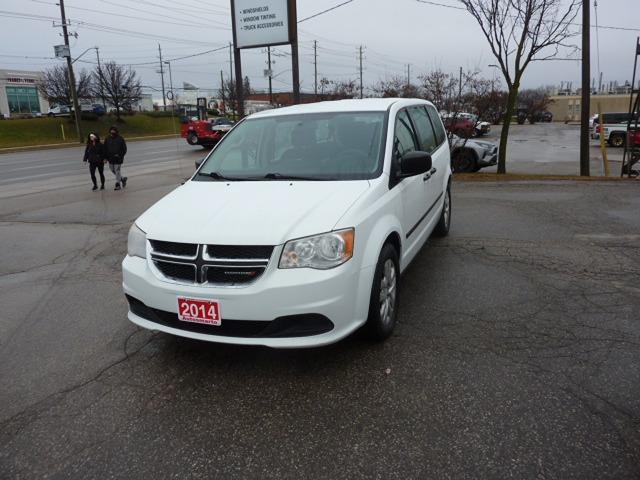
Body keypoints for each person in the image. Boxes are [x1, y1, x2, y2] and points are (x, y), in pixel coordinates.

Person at [104, 125, 128, 190]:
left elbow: (124, 149)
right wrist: (105, 158)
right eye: (111, 131)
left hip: (118, 158)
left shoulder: (120, 138)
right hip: (110, 158)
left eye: (114, 131)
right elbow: (105, 149)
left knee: (117, 171)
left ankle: (118, 184)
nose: (112, 132)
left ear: (116, 131)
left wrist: (119, 155)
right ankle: (122, 179)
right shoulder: (107, 138)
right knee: (112, 170)